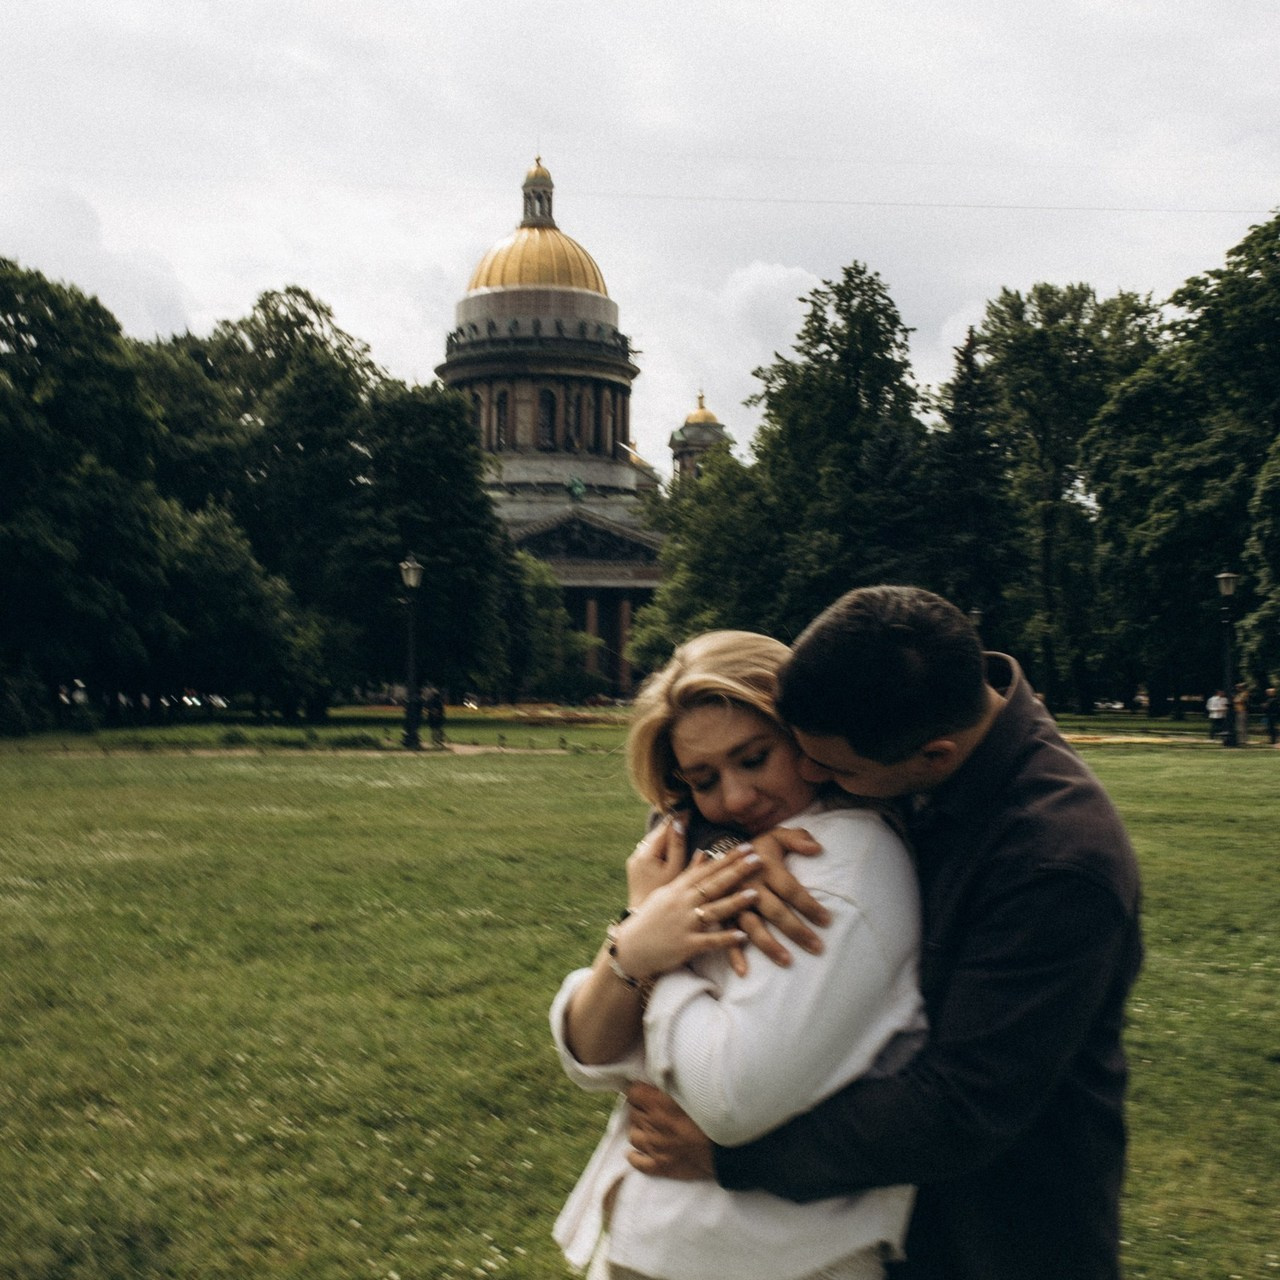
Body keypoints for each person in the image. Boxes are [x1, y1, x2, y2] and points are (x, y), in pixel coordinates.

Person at [626, 588, 1143, 1280]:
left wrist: (730, 1157)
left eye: (835, 772)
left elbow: (960, 1107)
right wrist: (730, 855)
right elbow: (722, 789)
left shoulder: (1057, 863)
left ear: (933, 757)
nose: (811, 778)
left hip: (1000, 1232)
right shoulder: (897, 697)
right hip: (885, 1219)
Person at [550, 631, 927, 1280]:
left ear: (806, 736)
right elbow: (589, 1052)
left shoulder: (841, 868)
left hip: (773, 1257)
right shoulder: (709, 857)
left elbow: (727, 1097)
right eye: (704, 780)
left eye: (755, 758)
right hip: (663, 1241)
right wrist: (640, 936)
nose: (737, 798)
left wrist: (652, 954)